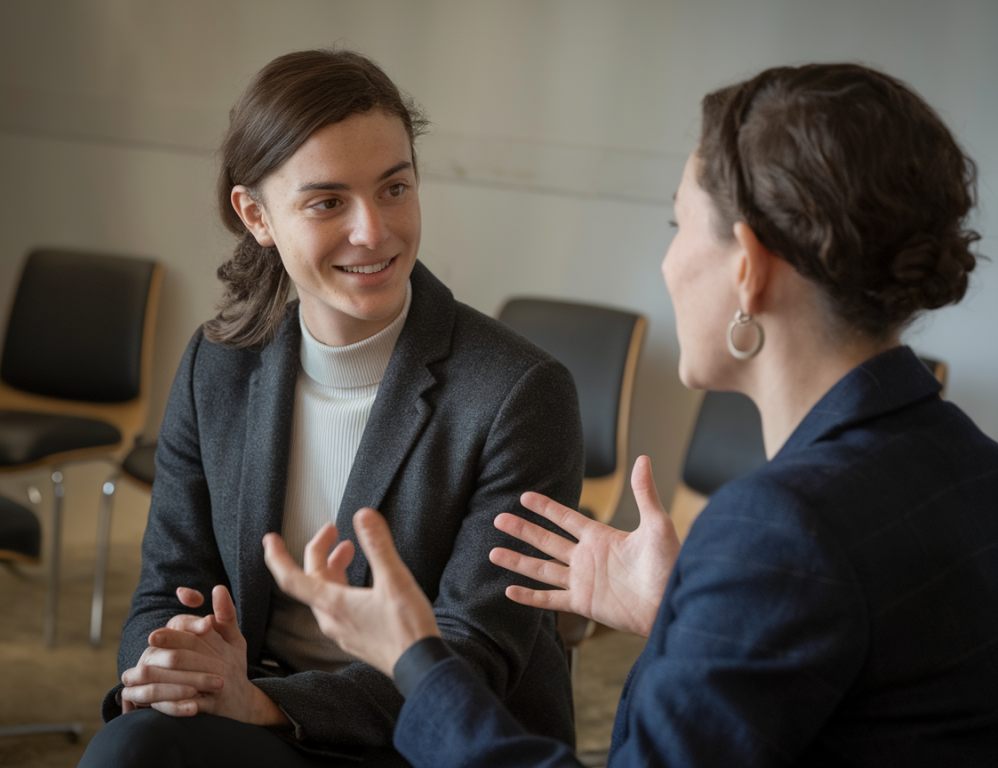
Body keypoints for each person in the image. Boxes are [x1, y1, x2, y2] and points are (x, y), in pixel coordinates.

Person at [263, 62, 998, 767]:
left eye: (678, 226)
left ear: (748, 265)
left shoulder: (780, 530)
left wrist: (412, 657)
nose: (668, 264)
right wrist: (689, 612)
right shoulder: (969, 462)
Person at [79, 49, 582, 767]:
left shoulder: (520, 393)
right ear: (256, 215)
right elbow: (171, 583)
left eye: (395, 189)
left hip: (429, 740)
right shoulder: (217, 364)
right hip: (260, 713)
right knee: (132, 746)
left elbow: (473, 655)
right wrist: (173, 667)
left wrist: (268, 705)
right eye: (327, 202)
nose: (373, 231)